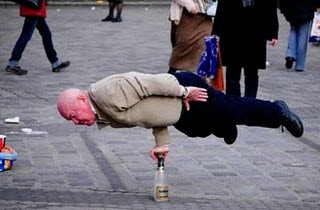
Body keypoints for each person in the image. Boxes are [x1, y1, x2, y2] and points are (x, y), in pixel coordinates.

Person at [57, 71, 303, 161]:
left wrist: (184, 91)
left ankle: (277, 111)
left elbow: (151, 83)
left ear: (80, 100)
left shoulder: (106, 93)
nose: (76, 122)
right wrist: (161, 144)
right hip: (179, 112)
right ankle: (225, 126)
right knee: (196, 130)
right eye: (71, 121)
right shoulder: (103, 113)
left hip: (184, 90)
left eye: (73, 116)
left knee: (234, 109)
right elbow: (150, 117)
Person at [212, 0, 278, 98]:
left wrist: (273, 32)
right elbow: (222, 7)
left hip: (254, 32)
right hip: (233, 32)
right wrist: (216, 32)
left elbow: (270, 6)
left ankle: (249, 103)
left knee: (251, 71)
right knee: (233, 72)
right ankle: (234, 103)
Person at [5, 0, 70, 76]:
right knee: (26, 36)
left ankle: (55, 62)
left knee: (46, 34)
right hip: (33, 8)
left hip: (35, 8)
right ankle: (13, 63)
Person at [168, 0, 213, 74]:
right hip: (186, 14)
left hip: (205, 14)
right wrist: (189, 5)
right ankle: (172, 73)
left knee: (204, 44)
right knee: (183, 46)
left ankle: (202, 78)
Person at [279, 0, 320, 72]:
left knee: (293, 30)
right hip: (307, 8)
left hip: (292, 9)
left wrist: (283, 9)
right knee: (303, 35)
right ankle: (299, 65)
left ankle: (290, 55)